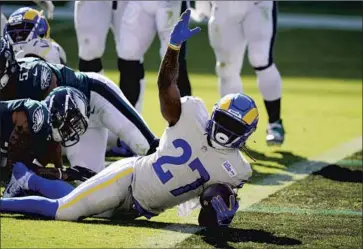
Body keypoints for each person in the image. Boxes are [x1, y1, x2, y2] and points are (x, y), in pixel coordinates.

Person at [0, 10, 256, 227]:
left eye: (232, 126)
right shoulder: (191, 113)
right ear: (213, 114)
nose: (224, 130)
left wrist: (222, 207)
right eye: (223, 119)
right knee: (65, 210)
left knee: (79, 189)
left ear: (244, 136)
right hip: (127, 175)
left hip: (137, 203)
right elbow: (166, 84)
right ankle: (12, 194)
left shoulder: (238, 169)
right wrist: (173, 48)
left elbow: (209, 212)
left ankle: (27, 178)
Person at [0, 37, 159, 173]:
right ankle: (130, 187)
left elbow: (56, 117)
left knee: (148, 147)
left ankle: (179, 180)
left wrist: (38, 164)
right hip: (74, 124)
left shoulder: (34, 74)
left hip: (95, 97)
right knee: (90, 185)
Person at [199, 1, 284, 146]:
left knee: (261, 59)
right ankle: (233, 127)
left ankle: (274, 122)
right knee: (226, 68)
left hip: (256, 4)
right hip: (223, 7)